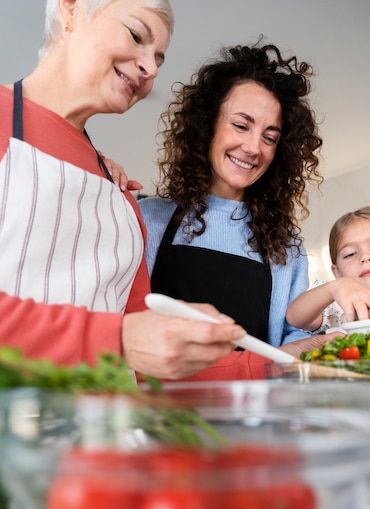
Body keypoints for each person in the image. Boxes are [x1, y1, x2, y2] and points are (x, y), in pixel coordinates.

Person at [0, 0, 251, 381]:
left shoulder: (120, 195)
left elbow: (143, 355)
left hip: (109, 431)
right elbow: (125, 339)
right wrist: (114, 340)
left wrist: (283, 362)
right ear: (70, 9)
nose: (150, 69)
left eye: (158, 59)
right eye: (136, 36)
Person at [139, 41, 327, 379]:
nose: (254, 147)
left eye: (270, 137)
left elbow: (297, 340)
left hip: (252, 421)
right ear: (208, 125)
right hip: (158, 420)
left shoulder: (285, 246)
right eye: (241, 125)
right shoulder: (148, 220)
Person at [286, 206, 370, 333]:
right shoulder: (333, 309)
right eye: (350, 254)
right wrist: (333, 288)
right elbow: (294, 317)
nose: (365, 257)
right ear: (337, 273)